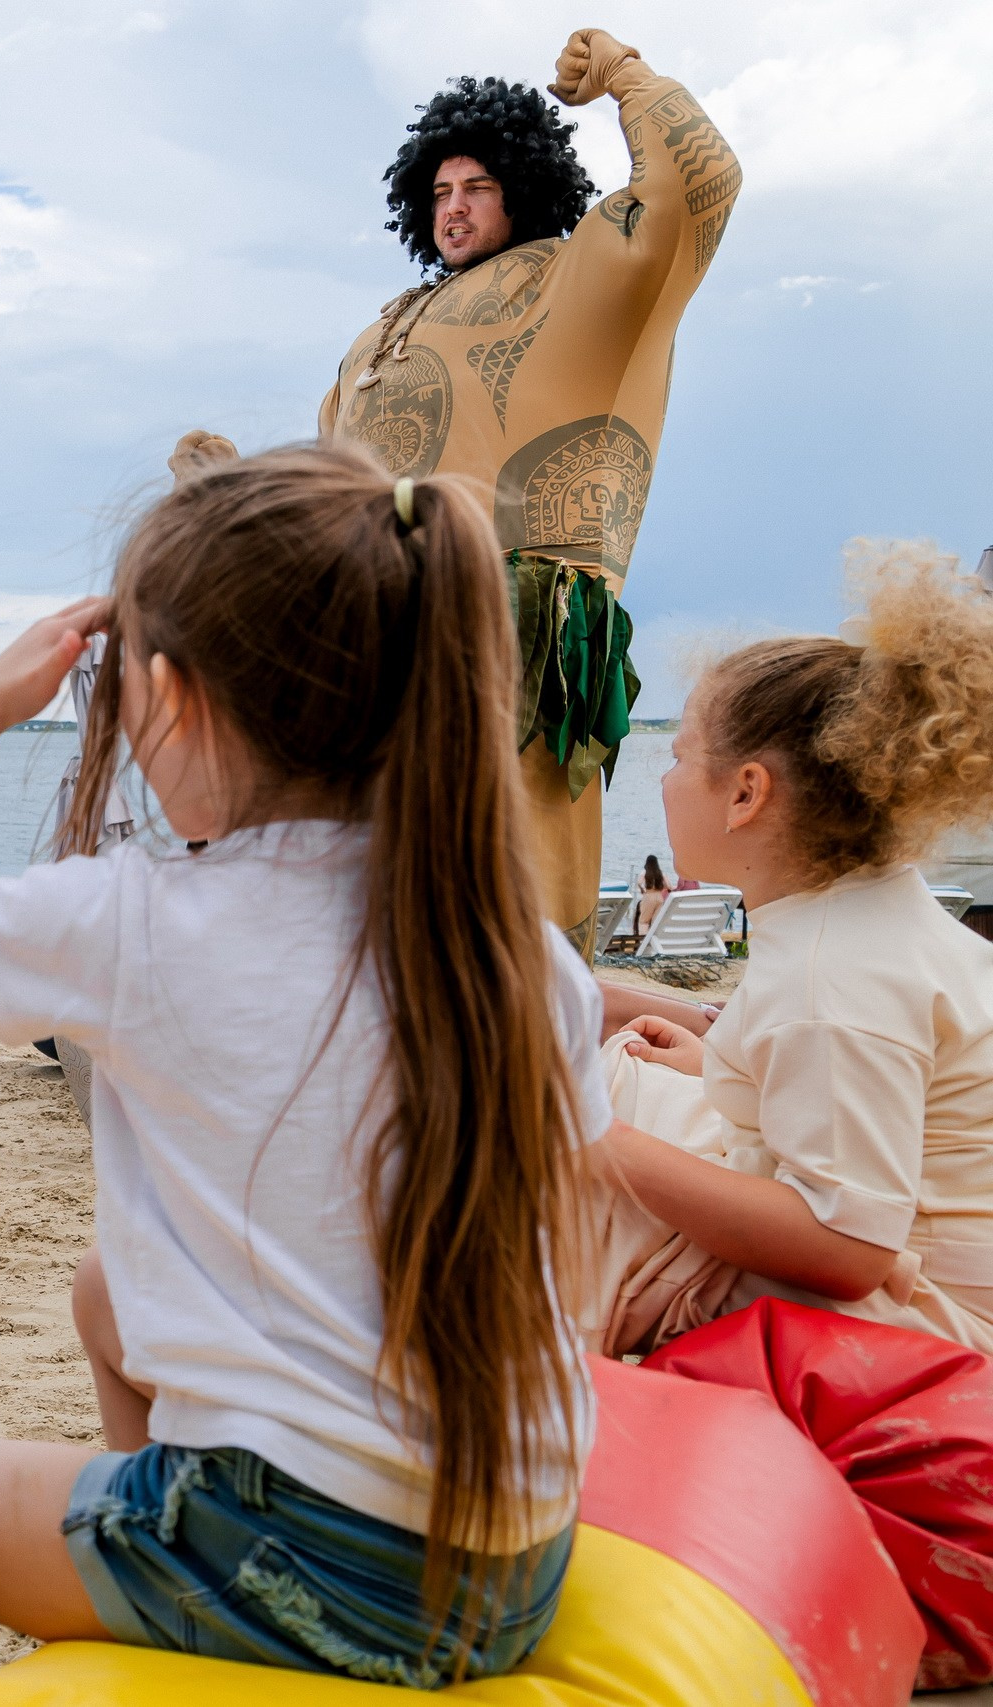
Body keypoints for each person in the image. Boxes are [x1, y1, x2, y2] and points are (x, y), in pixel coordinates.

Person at [0, 446, 605, 1701]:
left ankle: (189, 1590)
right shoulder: (511, 944)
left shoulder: (140, 919)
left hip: (314, 1559)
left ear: (174, 696)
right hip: (512, 1552)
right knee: (107, 1292)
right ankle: (169, 1622)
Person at [307, 29, 736, 956]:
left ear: (525, 186)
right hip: (378, 635)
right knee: (373, 896)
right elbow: (323, 479)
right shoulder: (381, 326)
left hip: (520, 631)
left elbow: (698, 190)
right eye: (440, 192)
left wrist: (626, 77)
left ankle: (528, 1077)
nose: (453, 210)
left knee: (513, 893)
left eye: (478, 187)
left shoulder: (572, 277)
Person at [592, 544, 993, 1358]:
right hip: (912, 1271)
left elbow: (845, 1248)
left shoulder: (830, 978)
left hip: (920, 1327)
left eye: (676, 755)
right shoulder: (865, 918)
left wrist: (599, 1140)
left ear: (746, 792)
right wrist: (718, 1065)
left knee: (556, 1175)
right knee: (618, 1083)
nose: (662, 779)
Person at [634, 853, 671, 934]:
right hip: (659, 897)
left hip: (649, 896)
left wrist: (643, 890)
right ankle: (653, 940)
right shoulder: (661, 873)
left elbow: (639, 883)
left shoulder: (645, 872)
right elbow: (669, 886)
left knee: (644, 921)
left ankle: (642, 940)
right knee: (655, 921)